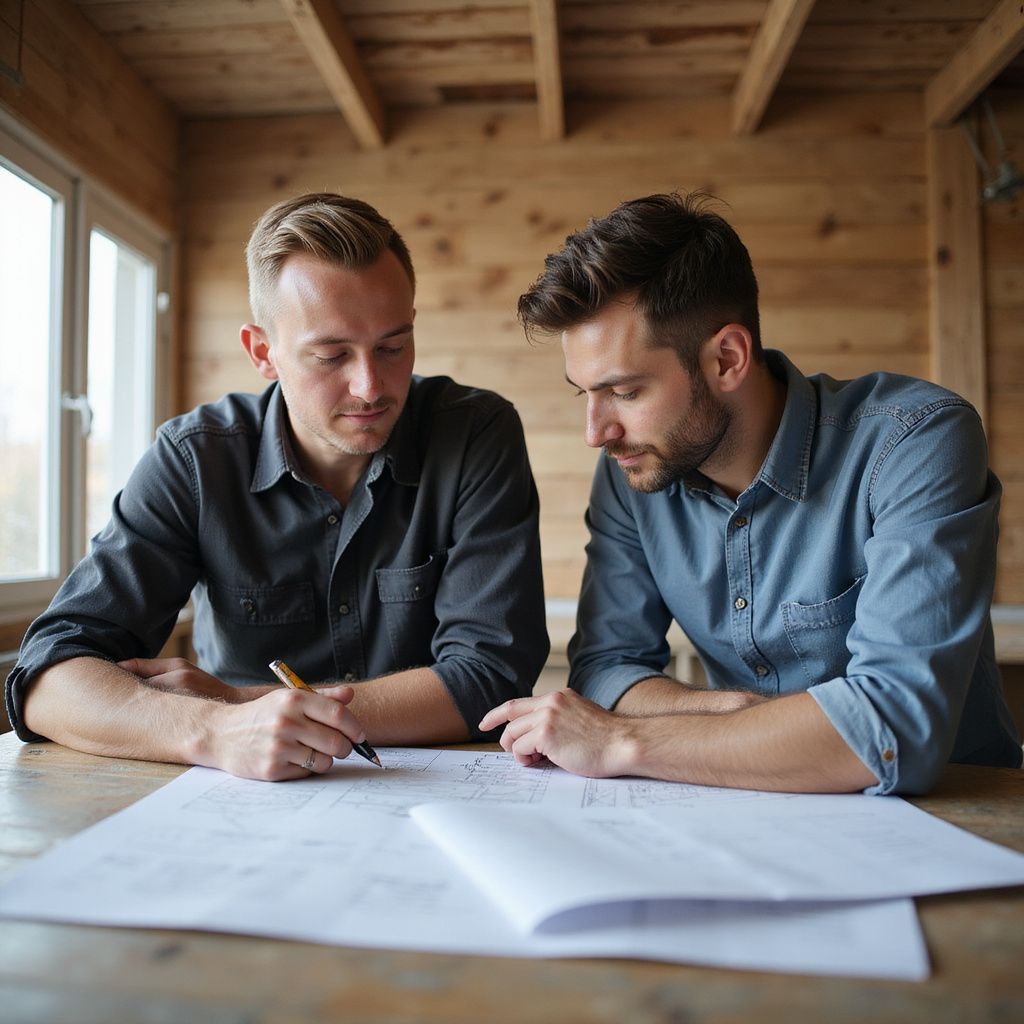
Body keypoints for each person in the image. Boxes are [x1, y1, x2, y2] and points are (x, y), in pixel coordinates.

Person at [480, 192, 1021, 795]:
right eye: (586, 394)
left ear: (728, 358)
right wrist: (720, 713)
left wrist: (620, 739)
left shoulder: (916, 439)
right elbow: (608, 667)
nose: (595, 433)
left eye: (626, 392)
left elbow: (895, 727)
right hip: (746, 808)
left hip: (956, 813)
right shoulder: (633, 469)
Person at [6, 193, 548, 780]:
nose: (370, 386)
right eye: (330, 354)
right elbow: (47, 675)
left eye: (393, 346)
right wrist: (213, 730)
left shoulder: (475, 433)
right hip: (244, 794)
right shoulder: (193, 458)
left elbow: (490, 676)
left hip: (439, 787)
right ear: (263, 352)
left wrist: (244, 705)